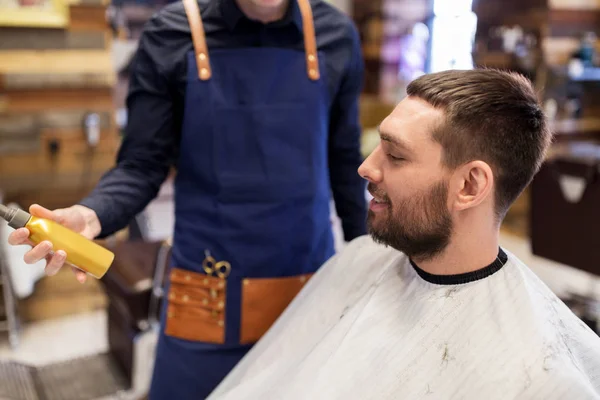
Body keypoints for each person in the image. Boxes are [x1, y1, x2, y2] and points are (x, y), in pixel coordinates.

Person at [6, 0, 367, 398]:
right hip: (206, 296)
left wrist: (370, 258)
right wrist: (93, 215)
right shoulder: (172, 33)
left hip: (307, 289)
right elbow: (142, 164)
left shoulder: (336, 35)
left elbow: (345, 160)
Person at [206, 69, 600, 400]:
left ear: (469, 186)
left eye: (395, 155)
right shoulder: (361, 259)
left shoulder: (539, 377)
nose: (366, 168)